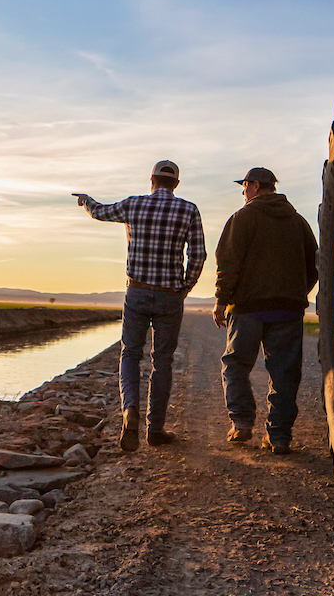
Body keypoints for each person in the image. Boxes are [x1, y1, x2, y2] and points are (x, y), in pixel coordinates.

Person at [73, 160, 206, 451]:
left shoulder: (133, 205)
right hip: (170, 294)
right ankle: (155, 429)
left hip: (137, 292)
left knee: (130, 355)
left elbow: (100, 211)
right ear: (176, 185)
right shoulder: (189, 210)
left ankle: (130, 410)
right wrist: (185, 287)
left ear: (151, 180)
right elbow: (198, 256)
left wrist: (86, 201)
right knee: (163, 361)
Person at [212, 167, 317, 455]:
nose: (243, 192)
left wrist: (221, 300)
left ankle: (242, 422)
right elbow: (314, 265)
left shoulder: (242, 218)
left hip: (247, 309)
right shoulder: (299, 222)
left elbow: (228, 264)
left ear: (256, 185)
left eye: (244, 186)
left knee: (235, 365)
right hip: (289, 311)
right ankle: (279, 436)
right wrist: (294, 294)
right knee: (284, 374)